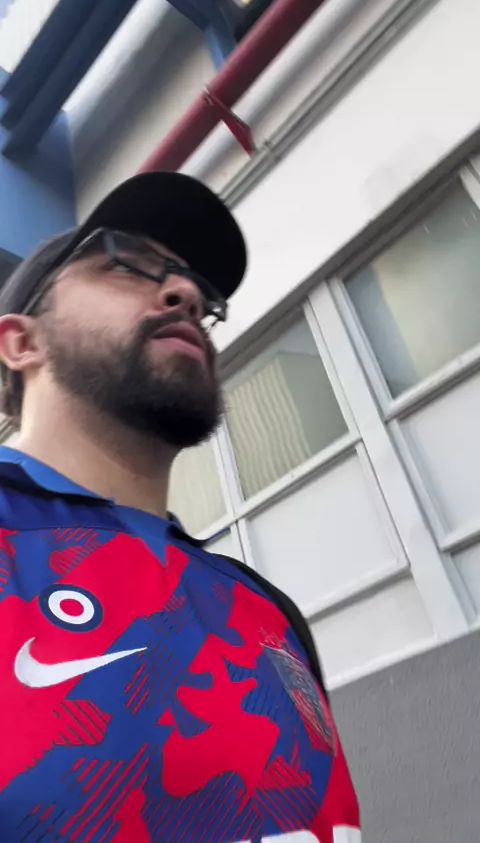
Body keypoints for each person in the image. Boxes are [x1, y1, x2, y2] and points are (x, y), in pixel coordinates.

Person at [0, 171, 360, 842]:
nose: (187, 294)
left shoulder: (269, 614)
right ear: (22, 342)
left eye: (200, 291)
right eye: (124, 263)